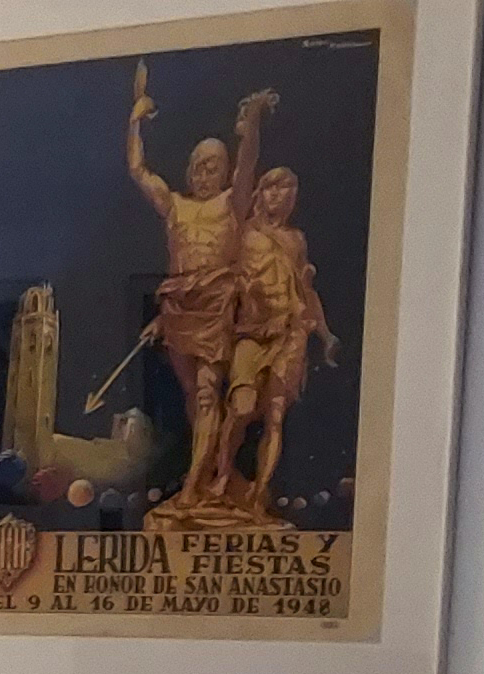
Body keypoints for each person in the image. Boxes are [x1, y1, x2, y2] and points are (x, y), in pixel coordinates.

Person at [127, 63, 274, 516]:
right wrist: (134, 120)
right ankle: (211, 470)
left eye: (212, 166)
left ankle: (192, 487)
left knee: (209, 392)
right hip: (178, 307)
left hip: (216, 306)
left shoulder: (231, 203)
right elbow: (138, 169)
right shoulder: (176, 206)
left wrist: (251, 126)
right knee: (195, 397)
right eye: (197, 166)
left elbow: (248, 165)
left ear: (224, 171)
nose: (203, 172)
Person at [222, 161, 337, 515]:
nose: (279, 195)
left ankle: (260, 492)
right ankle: (221, 475)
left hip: (289, 332)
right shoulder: (243, 233)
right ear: (261, 193)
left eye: (286, 189)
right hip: (251, 332)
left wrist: (325, 333)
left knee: (274, 414)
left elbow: (305, 290)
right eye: (272, 187)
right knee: (241, 407)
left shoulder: (296, 240)